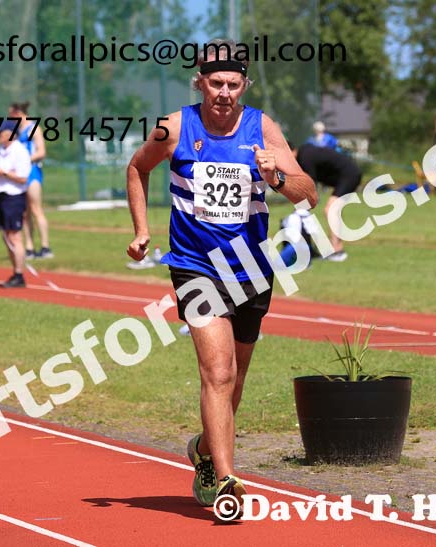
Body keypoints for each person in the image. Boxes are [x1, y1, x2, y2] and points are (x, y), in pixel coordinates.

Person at [126, 39, 317, 510]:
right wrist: (142, 230)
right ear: (200, 83)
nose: (225, 92)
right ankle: (227, 477)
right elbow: (136, 167)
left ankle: (206, 450)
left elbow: (307, 194)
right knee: (218, 371)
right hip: (194, 266)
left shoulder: (263, 127)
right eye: (216, 84)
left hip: (251, 267)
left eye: (234, 84)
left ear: (244, 85)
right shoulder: (172, 127)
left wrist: (275, 176)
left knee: (237, 378)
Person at [291, 142, 362, 262]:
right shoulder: (305, 153)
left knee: (330, 210)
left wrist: (301, 209)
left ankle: (337, 252)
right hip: (346, 176)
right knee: (333, 210)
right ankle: (336, 249)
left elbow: (310, 186)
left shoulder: (305, 157)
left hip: (349, 175)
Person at [0, 120, 32, 288]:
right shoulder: (1, 150)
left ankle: (19, 274)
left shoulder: (19, 151)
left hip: (14, 197)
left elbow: (22, 177)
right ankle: (15, 271)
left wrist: (5, 173)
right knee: (6, 236)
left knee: (15, 236)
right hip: (1, 195)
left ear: (11, 134)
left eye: (1, 132)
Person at [9, 101, 52, 260]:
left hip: (32, 172)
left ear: (18, 113)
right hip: (19, 174)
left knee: (36, 209)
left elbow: (41, 152)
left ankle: (45, 246)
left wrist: (25, 159)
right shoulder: (15, 131)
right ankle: (29, 247)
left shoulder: (33, 128)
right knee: (24, 213)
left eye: (11, 115)